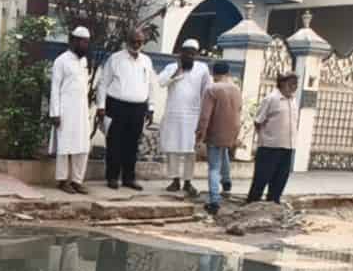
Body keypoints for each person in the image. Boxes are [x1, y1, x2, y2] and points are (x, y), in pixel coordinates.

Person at [95, 30, 154, 191]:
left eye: (139, 42)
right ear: (127, 41)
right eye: (133, 41)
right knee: (115, 143)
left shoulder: (146, 61)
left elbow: (150, 85)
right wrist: (101, 106)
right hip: (117, 106)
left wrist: (151, 107)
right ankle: (112, 177)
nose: (136, 45)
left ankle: (129, 178)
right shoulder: (115, 59)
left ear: (143, 43)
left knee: (132, 144)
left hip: (138, 108)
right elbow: (103, 83)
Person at [154, 38, 211, 197]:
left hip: (193, 116)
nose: (190, 57)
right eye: (187, 53)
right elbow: (161, 82)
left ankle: (187, 182)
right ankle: (175, 180)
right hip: (173, 115)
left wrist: (205, 117)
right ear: (181, 53)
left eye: (193, 54)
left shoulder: (203, 69)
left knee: (189, 151)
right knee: (173, 149)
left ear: (197, 55)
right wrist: (177, 70)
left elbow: (207, 91)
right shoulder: (171, 67)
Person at [49, 26, 95, 194]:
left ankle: (77, 180)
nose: (85, 45)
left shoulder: (83, 61)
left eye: (87, 42)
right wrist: (55, 113)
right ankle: (62, 181)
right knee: (65, 145)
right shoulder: (61, 61)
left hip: (81, 110)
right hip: (65, 110)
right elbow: (55, 88)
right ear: (74, 41)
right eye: (83, 42)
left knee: (82, 145)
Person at [195, 61, 243, 215]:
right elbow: (239, 111)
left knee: (214, 166)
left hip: (216, 130)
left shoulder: (212, 89)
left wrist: (200, 133)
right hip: (232, 130)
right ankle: (227, 183)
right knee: (224, 154)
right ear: (228, 73)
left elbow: (205, 116)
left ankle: (214, 200)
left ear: (213, 73)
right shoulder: (236, 89)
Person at [248, 72, 300, 204]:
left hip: (288, 146)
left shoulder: (293, 100)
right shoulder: (271, 99)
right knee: (262, 178)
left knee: (281, 177)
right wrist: (265, 138)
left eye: (296, 84)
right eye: (291, 83)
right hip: (269, 147)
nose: (294, 87)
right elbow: (258, 121)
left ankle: (273, 202)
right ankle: (252, 203)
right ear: (282, 83)